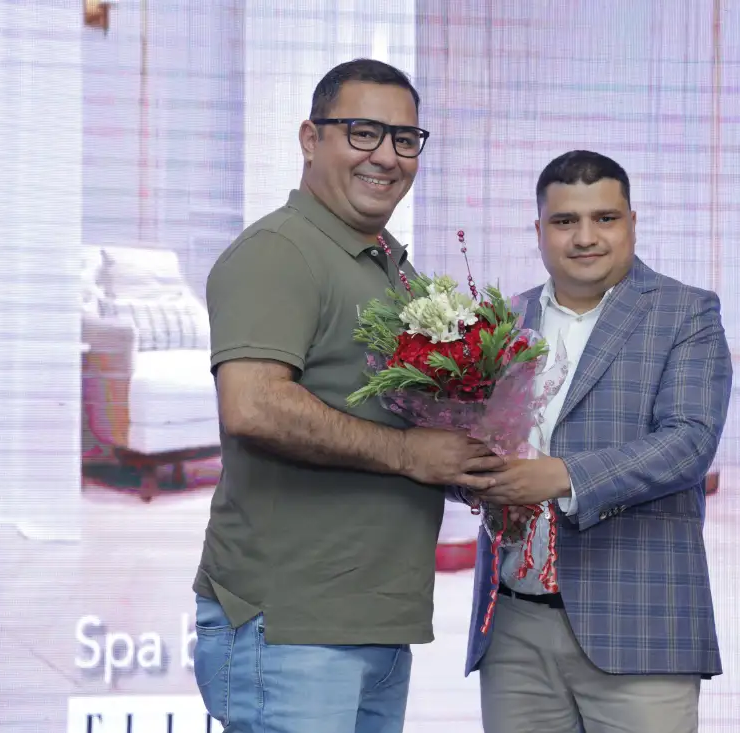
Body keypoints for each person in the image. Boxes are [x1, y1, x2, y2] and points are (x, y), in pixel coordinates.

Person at [192, 58, 503, 733]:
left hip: (371, 621)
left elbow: (380, 414)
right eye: (363, 132)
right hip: (292, 626)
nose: (386, 156)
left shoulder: (391, 267)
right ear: (311, 139)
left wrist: (465, 463)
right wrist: (411, 454)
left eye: (404, 139)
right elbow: (253, 404)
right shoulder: (280, 251)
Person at [467, 150, 733, 733]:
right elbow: (469, 444)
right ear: (539, 230)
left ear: (631, 222)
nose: (585, 237)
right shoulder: (502, 322)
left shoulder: (685, 313)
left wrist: (561, 476)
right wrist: (470, 476)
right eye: (565, 221)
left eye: (604, 219)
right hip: (512, 625)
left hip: (638, 628)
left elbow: (689, 443)